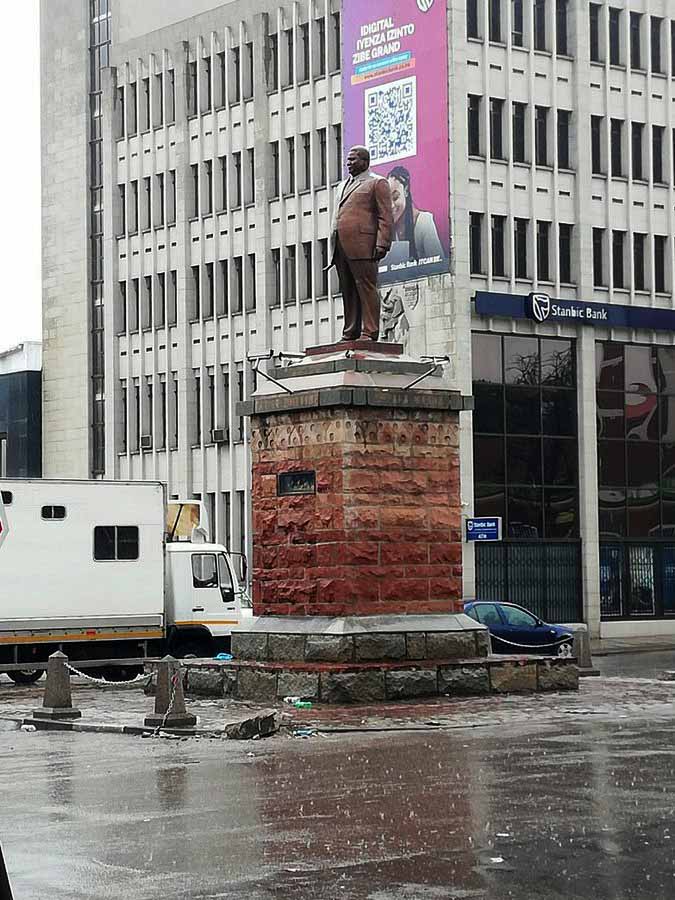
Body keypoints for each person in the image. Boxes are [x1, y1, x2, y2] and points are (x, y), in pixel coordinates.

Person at [329, 146, 393, 341]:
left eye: (353, 160)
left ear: (365, 162)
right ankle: (350, 331)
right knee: (347, 288)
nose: (349, 163)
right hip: (341, 244)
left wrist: (382, 243)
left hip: (364, 244)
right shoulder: (342, 186)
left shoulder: (377, 183)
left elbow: (385, 215)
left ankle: (370, 330)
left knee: (366, 287)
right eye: (347, 160)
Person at [387, 165, 444, 261]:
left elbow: (437, 263)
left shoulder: (423, 221)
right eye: (387, 200)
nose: (391, 205)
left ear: (406, 191)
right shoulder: (386, 228)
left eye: (396, 197)